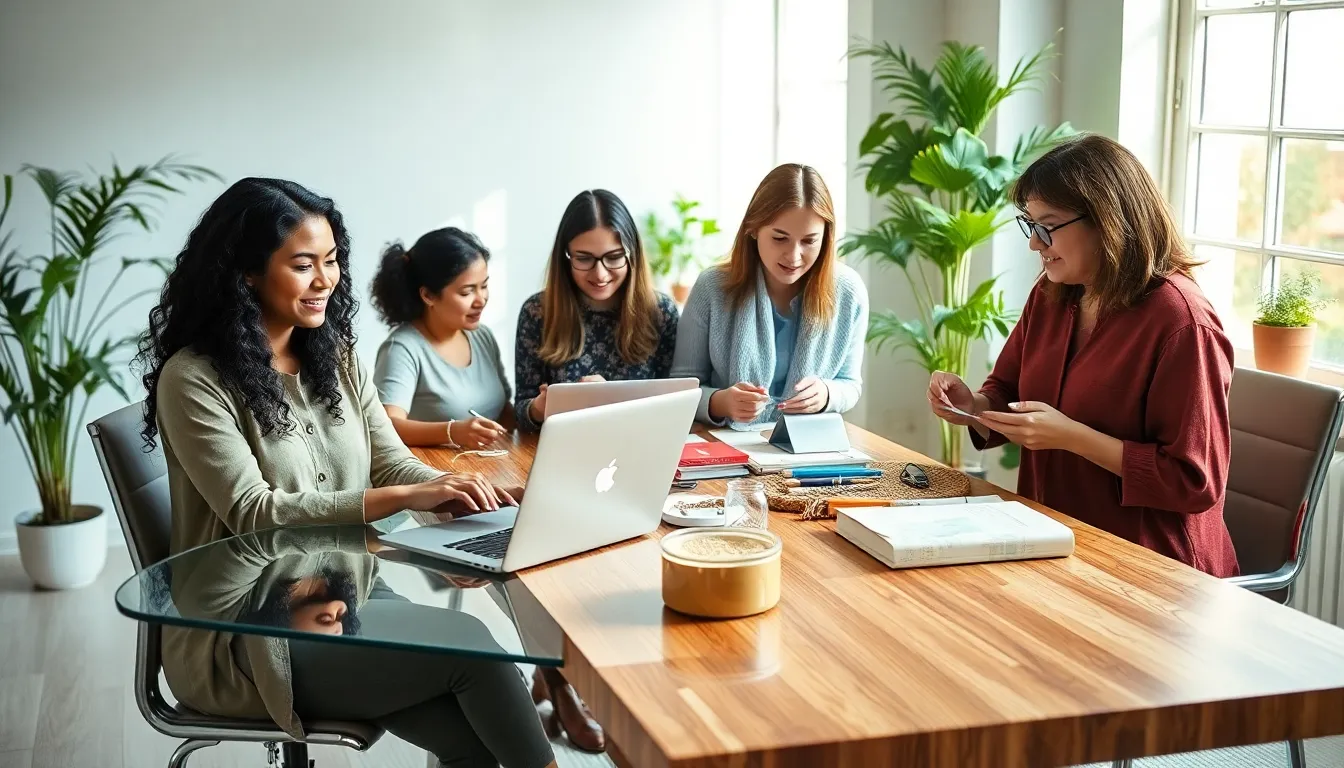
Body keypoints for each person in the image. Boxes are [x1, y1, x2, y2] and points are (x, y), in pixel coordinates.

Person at [136, 177, 557, 768]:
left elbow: (389, 461)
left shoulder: (333, 355)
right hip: (249, 630)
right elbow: (254, 512)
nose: (325, 281)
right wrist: (410, 493)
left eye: (331, 261)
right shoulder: (195, 378)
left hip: (349, 591)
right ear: (247, 273)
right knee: (477, 650)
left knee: (480, 741)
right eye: (303, 264)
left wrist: (459, 501)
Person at [927, 134, 1239, 577]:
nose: (1035, 244)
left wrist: (1072, 436)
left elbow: (1195, 481)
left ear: (1107, 221)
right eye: (1029, 224)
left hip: (1154, 571)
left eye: (1047, 226)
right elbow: (1007, 390)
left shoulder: (1182, 322)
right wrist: (972, 407)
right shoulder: (1052, 293)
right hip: (1052, 539)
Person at [670, 163, 868, 427]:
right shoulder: (712, 287)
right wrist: (721, 402)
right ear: (753, 229)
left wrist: (827, 394)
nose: (794, 256)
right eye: (779, 238)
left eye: (809, 241)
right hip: (727, 447)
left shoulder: (848, 291)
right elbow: (681, 389)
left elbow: (851, 385)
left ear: (826, 238)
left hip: (807, 447)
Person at [514, 189, 679, 430]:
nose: (600, 274)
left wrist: (610, 397)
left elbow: (676, 405)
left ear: (632, 255)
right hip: (563, 449)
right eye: (584, 259)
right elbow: (520, 413)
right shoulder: (538, 311)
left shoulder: (660, 312)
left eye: (614, 257)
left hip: (640, 445)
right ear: (566, 257)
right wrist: (540, 407)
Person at [369, 227, 512, 449]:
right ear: (428, 295)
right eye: (467, 292)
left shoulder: (482, 336)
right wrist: (452, 431)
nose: (481, 299)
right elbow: (386, 427)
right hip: (439, 476)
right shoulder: (402, 348)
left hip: (494, 466)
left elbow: (505, 414)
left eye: (484, 286)